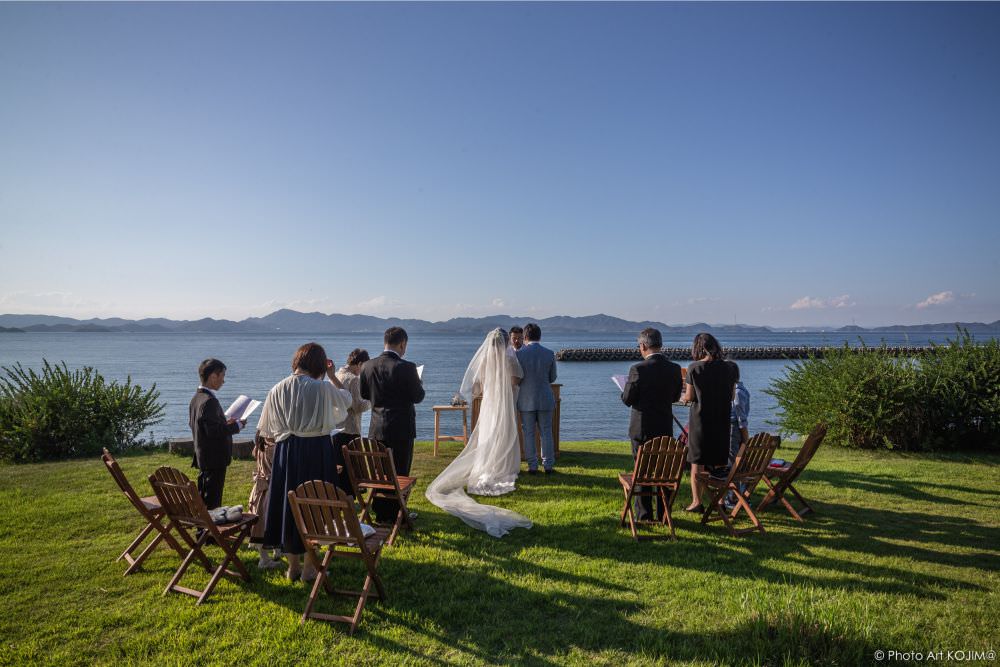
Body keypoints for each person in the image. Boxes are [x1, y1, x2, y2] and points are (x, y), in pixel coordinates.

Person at [258, 342, 352, 581]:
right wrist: (333, 377)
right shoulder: (321, 388)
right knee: (318, 504)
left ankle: (293, 566)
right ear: (319, 364)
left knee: (288, 505)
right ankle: (310, 567)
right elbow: (346, 401)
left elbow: (267, 428)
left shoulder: (277, 388)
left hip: (286, 450)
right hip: (315, 450)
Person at [425, 328, 532, 537]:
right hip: (506, 400)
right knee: (505, 432)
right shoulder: (509, 358)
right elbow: (517, 379)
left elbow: (477, 386)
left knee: (489, 431)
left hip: (490, 402)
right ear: (505, 343)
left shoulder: (485, 359)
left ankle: (486, 464)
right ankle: (503, 465)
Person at [359, 327, 425, 523]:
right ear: (402, 344)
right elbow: (418, 396)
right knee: (400, 471)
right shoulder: (406, 367)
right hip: (401, 429)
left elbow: (364, 394)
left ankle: (381, 512)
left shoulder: (367, 366)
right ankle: (397, 514)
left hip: (376, 428)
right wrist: (418, 382)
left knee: (381, 471)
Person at [621, 328, 683, 521]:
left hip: (642, 428)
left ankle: (645, 514)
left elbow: (628, 399)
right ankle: (664, 514)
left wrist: (623, 391)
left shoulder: (638, 369)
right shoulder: (674, 368)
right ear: (660, 345)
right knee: (664, 471)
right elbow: (675, 397)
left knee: (642, 471)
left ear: (643, 346)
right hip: (664, 427)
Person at [680, 333, 738, 512]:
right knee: (719, 461)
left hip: (700, 421)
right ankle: (719, 501)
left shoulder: (694, 368)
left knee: (697, 462)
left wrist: (682, 398)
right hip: (721, 420)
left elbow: (689, 397)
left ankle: (697, 502)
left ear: (698, 348)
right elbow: (732, 396)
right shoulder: (731, 368)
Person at [189, 358, 244, 510]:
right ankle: (209, 532)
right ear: (213, 376)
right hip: (214, 459)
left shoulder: (196, 398)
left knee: (204, 498)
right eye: (222, 376)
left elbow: (204, 427)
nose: (223, 381)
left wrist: (225, 424)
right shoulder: (209, 401)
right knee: (212, 502)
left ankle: (203, 531)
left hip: (204, 457)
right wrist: (237, 425)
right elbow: (214, 432)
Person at [515, 323, 558, 474]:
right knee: (546, 432)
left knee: (528, 433)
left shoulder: (519, 354)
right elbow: (552, 378)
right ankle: (548, 465)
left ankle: (532, 466)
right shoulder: (549, 353)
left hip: (526, 400)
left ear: (525, 336)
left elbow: (517, 378)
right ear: (540, 336)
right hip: (545, 398)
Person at [332, 348, 372, 495]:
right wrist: (372, 399)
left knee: (339, 466)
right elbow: (357, 406)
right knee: (351, 469)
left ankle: (340, 496)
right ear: (360, 363)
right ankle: (350, 497)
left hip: (336, 427)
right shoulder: (354, 379)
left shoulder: (336, 375)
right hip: (350, 428)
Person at [246, 431, 283, 569]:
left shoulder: (260, 445)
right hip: (270, 489)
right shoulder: (273, 448)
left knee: (262, 522)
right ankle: (265, 560)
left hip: (259, 490)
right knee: (269, 521)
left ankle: (275, 550)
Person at [724, 362, 750, 510]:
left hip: (733, 429)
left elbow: (741, 419)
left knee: (732, 462)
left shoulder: (737, 392)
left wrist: (746, 437)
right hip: (734, 428)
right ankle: (735, 495)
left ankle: (734, 497)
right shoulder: (742, 389)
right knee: (734, 461)